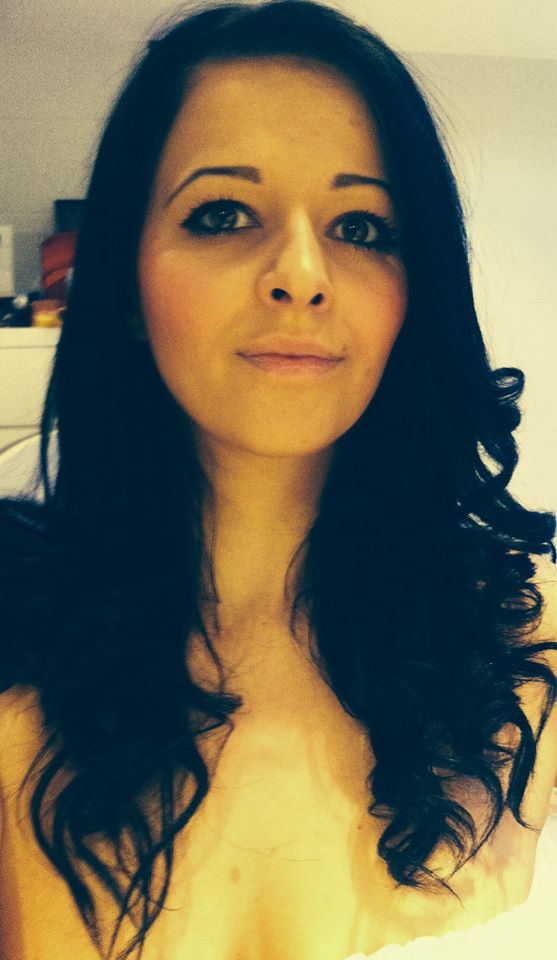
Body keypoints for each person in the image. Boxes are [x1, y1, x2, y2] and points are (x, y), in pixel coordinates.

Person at [0, 2, 556, 959]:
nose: (301, 273)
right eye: (221, 215)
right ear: (125, 282)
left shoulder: (520, 643)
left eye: (361, 226)